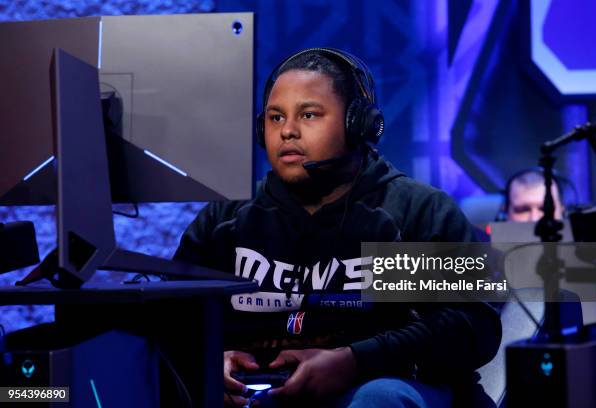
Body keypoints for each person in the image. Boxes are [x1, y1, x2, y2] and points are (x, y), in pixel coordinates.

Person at [174, 48, 501, 407]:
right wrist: (207, 361)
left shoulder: (408, 213)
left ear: (358, 124)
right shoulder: (227, 221)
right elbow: (171, 322)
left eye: (309, 114)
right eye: (275, 117)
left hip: (380, 383)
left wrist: (354, 361)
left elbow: (472, 327)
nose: (288, 131)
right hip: (257, 394)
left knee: (380, 399)